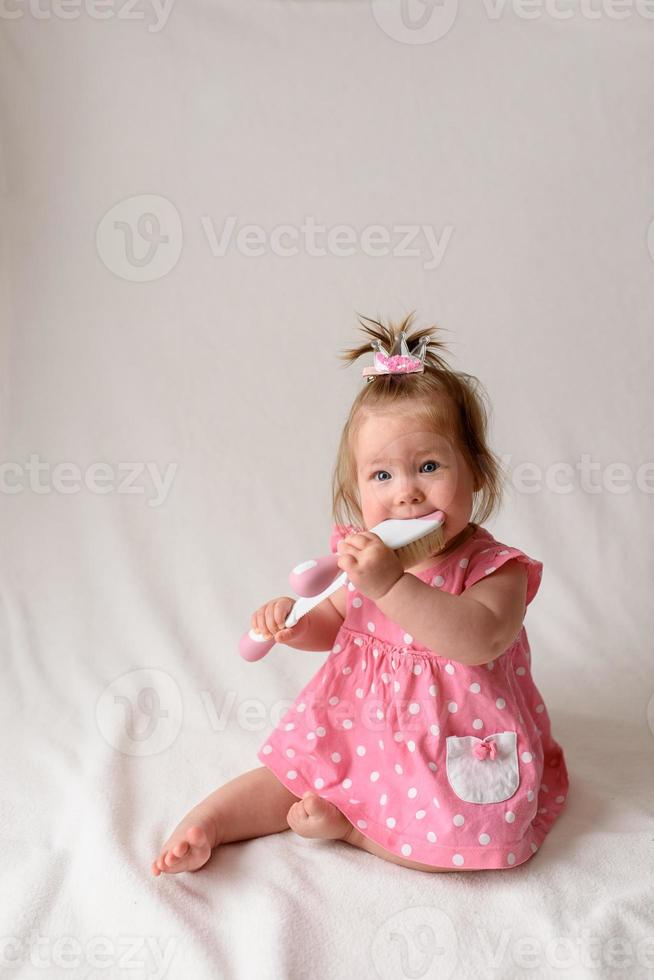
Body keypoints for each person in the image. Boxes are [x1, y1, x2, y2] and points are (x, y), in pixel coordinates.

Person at [151, 312, 569, 876]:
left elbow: (477, 639)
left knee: (471, 840)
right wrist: (296, 624)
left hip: (449, 743)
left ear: (478, 474)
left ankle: (352, 828)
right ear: (355, 490)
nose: (406, 494)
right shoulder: (366, 559)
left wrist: (392, 585)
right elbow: (337, 620)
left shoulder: (495, 569)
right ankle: (209, 824)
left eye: (428, 466)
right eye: (381, 476)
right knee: (293, 773)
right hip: (359, 723)